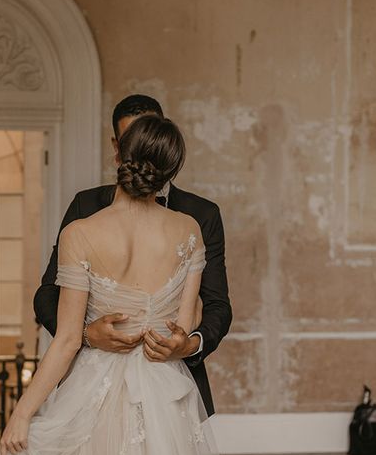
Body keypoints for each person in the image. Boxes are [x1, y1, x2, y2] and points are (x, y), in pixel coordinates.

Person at [0, 112, 234, 455]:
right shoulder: (189, 231)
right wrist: (170, 334)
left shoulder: (80, 233)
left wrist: (22, 414)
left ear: (120, 155)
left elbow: (64, 341)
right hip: (163, 389)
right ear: (171, 171)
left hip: (95, 391)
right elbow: (189, 315)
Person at [36, 94, 233, 417]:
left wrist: (190, 344)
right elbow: (47, 294)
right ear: (117, 148)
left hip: (171, 389)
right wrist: (87, 335)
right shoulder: (85, 206)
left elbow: (217, 304)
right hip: (94, 389)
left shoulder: (202, 215)